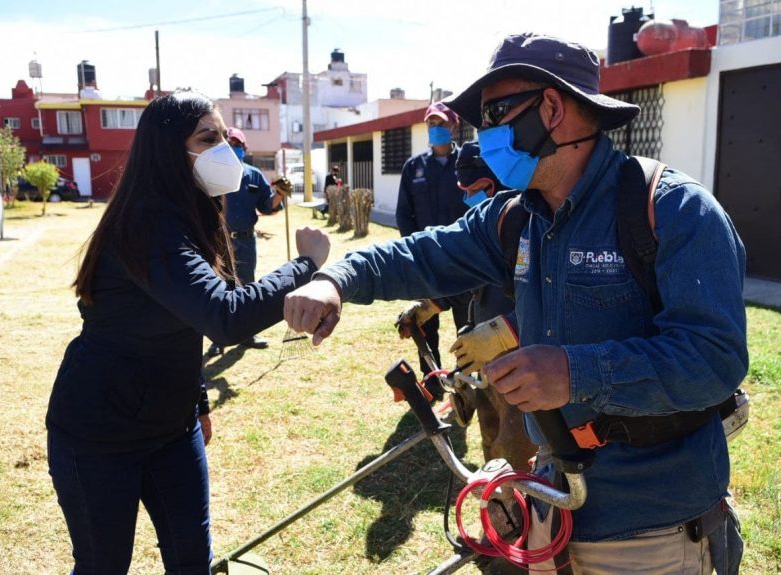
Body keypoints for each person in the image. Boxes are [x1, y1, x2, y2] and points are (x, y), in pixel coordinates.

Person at [283, 33, 747, 575]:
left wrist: (577, 372)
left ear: (552, 108)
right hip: (552, 508)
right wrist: (335, 278)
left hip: (652, 532)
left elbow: (715, 361)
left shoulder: (671, 211)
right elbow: (421, 255)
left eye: (497, 114)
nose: (485, 136)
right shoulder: (514, 217)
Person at [45, 91, 330, 575]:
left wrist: (196, 404)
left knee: (192, 561)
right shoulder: (146, 225)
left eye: (225, 136)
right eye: (208, 137)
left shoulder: (191, 214)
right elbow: (225, 317)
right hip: (98, 436)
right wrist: (305, 265)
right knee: (102, 565)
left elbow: (185, 324)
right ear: (166, 150)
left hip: (173, 430)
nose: (225, 149)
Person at [398, 141, 536, 471]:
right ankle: (499, 519)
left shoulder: (533, 224)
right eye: (463, 190)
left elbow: (557, 302)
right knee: (491, 445)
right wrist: (429, 305)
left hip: (524, 365)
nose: (467, 198)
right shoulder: (487, 225)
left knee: (518, 458)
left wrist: (505, 332)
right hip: (487, 358)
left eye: (476, 189)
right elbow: (468, 278)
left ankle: (522, 518)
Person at [395, 101, 471, 395]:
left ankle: (466, 386)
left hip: (464, 261)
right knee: (426, 323)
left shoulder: (467, 163)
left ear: (453, 127)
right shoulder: (414, 168)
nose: (435, 129)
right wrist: (415, 251)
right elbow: (404, 214)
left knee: (467, 327)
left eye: (441, 124)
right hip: (427, 261)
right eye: (431, 124)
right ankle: (432, 382)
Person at [207, 127, 289, 354]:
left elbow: (268, 206)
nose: (233, 148)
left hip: (245, 241)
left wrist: (280, 193)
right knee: (220, 288)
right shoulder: (211, 175)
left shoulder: (254, 176)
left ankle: (247, 333)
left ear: (244, 148)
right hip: (218, 241)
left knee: (248, 286)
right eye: (229, 144)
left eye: (237, 144)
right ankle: (218, 338)